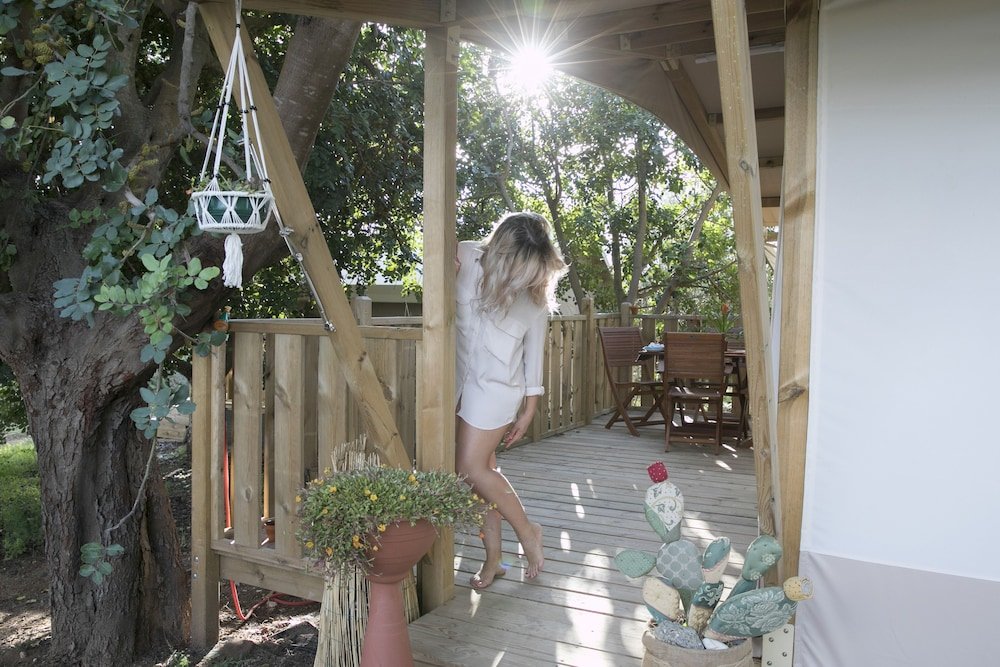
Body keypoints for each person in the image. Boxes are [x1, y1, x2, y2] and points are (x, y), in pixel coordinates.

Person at [454, 211, 567, 590]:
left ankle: (528, 531)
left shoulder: (534, 296)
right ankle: (493, 561)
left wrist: (530, 407)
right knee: (481, 478)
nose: (524, 277)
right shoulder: (465, 256)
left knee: (470, 468)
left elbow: (533, 356)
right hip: (459, 384)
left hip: (498, 391)